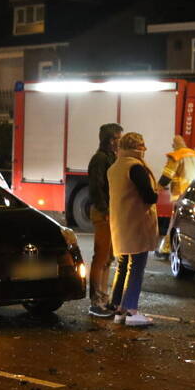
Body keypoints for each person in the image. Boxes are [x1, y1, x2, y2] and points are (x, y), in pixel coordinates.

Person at [107, 131, 160, 327]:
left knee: (124, 266)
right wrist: (156, 194)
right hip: (137, 223)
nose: (144, 151)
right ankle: (131, 310)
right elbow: (148, 196)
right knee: (136, 267)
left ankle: (119, 309)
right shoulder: (135, 167)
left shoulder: (114, 167)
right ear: (138, 148)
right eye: (142, 147)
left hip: (120, 224)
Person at [86, 123, 122, 317]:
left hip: (110, 212)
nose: (120, 142)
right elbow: (96, 187)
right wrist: (104, 209)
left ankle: (103, 298)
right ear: (111, 140)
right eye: (118, 138)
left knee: (107, 258)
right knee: (101, 257)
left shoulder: (109, 157)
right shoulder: (100, 159)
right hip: (104, 214)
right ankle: (96, 301)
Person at [156, 135, 195, 255]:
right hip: (192, 194)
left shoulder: (176, 156)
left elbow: (167, 175)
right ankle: (171, 247)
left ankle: (167, 248)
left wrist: (156, 189)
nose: (172, 146)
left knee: (174, 221)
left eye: (173, 143)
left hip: (180, 193)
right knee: (185, 222)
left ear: (175, 144)